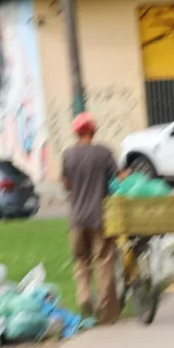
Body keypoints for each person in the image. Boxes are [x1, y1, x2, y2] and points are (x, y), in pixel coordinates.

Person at [60, 111, 121, 325]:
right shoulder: (103, 153)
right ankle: (108, 314)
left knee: (81, 261)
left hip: (76, 219)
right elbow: (119, 177)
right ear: (93, 130)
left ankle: (85, 297)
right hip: (99, 217)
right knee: (104, 262)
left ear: (76, 133)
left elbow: (65, 184)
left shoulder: (67, 155)